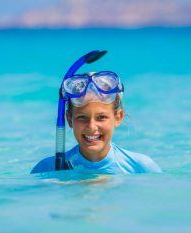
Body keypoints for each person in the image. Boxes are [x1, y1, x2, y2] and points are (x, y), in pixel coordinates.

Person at [31, 51, 161, 174]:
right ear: (69, 119)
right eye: (82, 117)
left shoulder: (141, 167)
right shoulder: (47, 169)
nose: (92, 127)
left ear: (118, 117)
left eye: (101, 117)